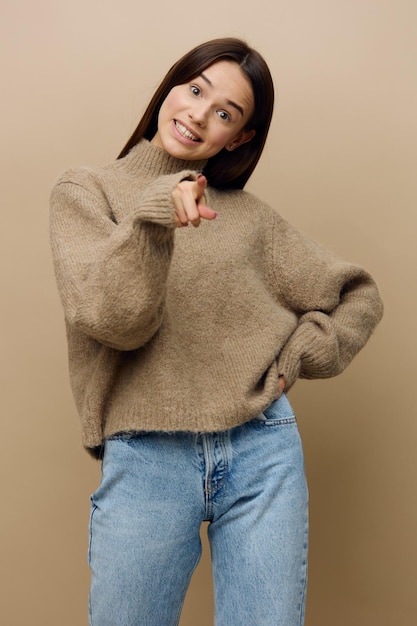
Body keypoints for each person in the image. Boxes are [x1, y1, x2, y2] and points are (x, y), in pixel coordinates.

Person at [50, 37, 383, 626]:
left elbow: (358, 295)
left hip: (261, 450)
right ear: (172, 86)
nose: (199, 114)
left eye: (226, 112)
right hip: (146, 454)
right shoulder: (86, 193)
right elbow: (114, 322)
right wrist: (156, 214)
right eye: (196, 89)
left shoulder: (249, 217)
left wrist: (303, 351)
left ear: (240, 137)